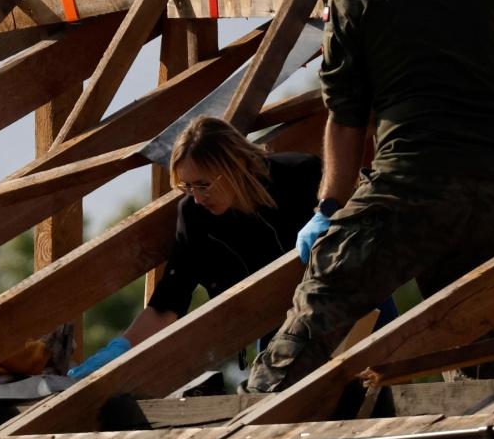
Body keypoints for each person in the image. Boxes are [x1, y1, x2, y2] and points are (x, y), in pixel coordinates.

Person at [246, 0, 494, 393]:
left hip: (408, 184)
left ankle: (250, 419)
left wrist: (329, 208)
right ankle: (479, 423)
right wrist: (488, 131)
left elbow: (346, 117)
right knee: (471, 332)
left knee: (321, 303)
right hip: (489, 188)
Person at [69, 116, 335, 380]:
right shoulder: (195, 216)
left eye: (203, 184)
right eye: (187, 186)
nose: (197, 197)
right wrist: (121, 348)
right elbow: (170, 300)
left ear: (236, 164)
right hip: (275, 327)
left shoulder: (300, 174)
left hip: (335, 300)